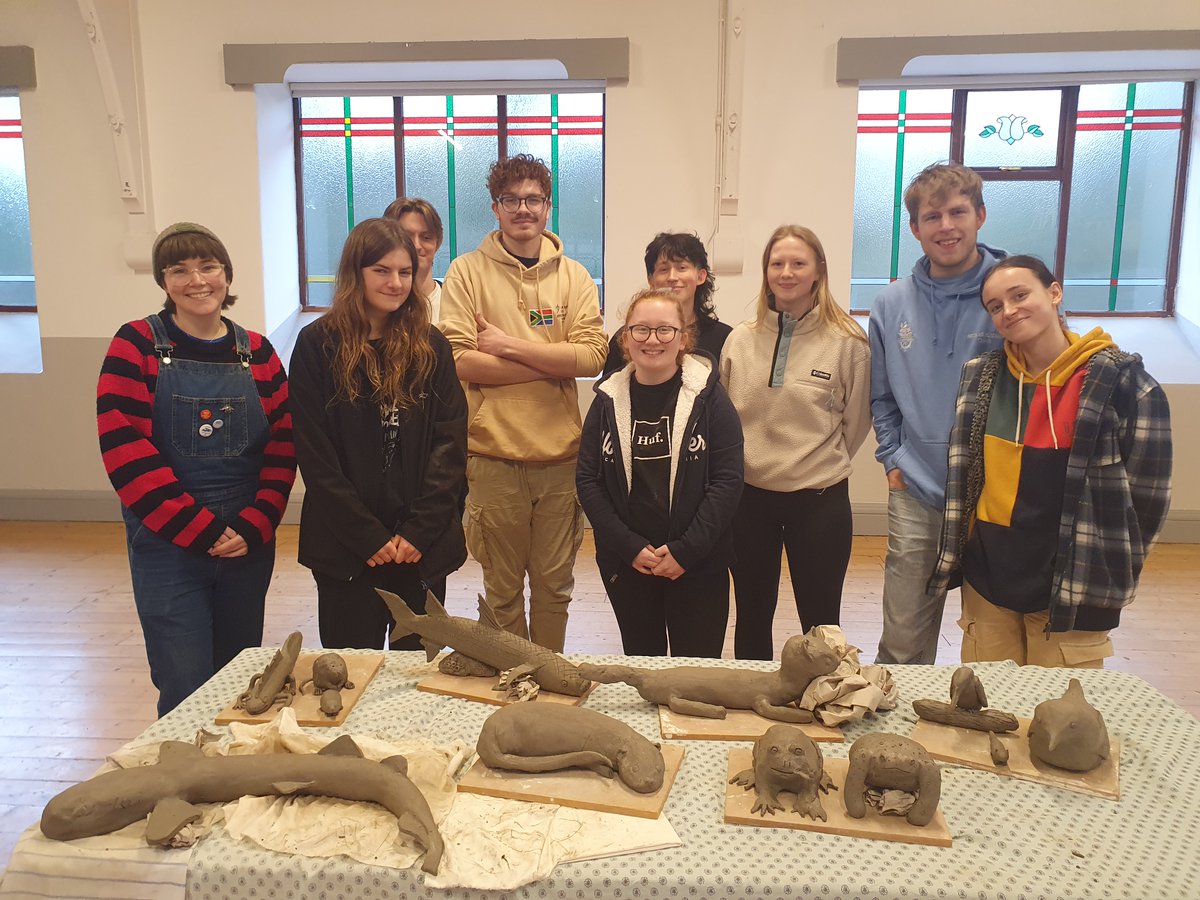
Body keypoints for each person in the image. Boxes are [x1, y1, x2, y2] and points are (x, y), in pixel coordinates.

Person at [929, 256, 1171, 668]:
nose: (1009, 310)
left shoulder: (1125, 385)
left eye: (1020, 295)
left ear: (1054, 292)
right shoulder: (980, 377)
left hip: (1072, 577)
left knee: (1061, 719)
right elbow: (966, 475)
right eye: (995, 306)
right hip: (989, 575)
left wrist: (1111, 562)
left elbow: (1148, 499)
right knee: (989, 706)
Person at [96, 222, 296, 717]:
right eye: (179, 270)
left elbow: (284, 446)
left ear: (227, 275)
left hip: (247, 540)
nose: (197, 280)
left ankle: (231, 782)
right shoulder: (135, 345)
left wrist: (256, 523)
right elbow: (125, 448)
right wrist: (199, 528)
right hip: (167, 543)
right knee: (184, 680)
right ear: (164, 282)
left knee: (241, 674)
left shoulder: (260, 353)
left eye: (208, 266)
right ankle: (180, 783)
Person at [439, 154, 607, 653]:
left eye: (533, 199)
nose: (523, 209)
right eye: (511, 200)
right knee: (503, 592)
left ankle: (548, 680)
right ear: (495, 207)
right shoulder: (466, 272)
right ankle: (511, 682)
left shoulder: (574, 276)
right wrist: (552, 361)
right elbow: (458, 361)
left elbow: (592, 356)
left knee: (555, 590)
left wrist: (509, 347)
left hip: (560, 457)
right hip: (492, 456)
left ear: (548, 206)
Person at [289, 218, 467, 651]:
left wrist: (418, 532)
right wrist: (367, 536)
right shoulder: (318, 346)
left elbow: (450, 445)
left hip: (418, 548)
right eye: (382, 271)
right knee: (351, 672)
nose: (396, 282)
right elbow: (317, 456)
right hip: (348, 549)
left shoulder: (431, 345)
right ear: (356, 273)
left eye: (405, 272)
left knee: (417, 675)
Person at [870, 162, 1007, 665]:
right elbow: (881, 396)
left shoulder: (1009, 295)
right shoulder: (890, 304)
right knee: (902, 639)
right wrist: (893, 459)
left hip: (1000, 491)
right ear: (915, 228)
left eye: (957, 212)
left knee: (996, 643)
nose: (946, 226)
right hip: (918, 488)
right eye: (933, 216)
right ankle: (894, 738)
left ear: (980, 216)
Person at [720, 225, 871, 659]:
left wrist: (815, 461)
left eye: (798, 263)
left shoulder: (848, 343)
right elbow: (728, 420)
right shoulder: (740, 341)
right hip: (749, 501)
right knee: (751, 612)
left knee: (822, 621)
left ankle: (825, 705)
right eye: (777, 263)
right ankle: (753, 702)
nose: (787, 273)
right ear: (766, 272)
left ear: (818, 271)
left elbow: (856, 422)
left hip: (818, 501)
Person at [577, 288, 743, 656]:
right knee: (643, 671)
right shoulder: (606, 401)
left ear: (683, 339)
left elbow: (728, 481)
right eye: (641, 329)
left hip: (697, 565)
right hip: (629, 564)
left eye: (665, 330)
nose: (652, 340)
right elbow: (588, 481)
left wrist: (686, 551)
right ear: (625, 339)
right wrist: (629, 546)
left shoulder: (710, 399)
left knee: (696, 677)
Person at [601, 232, 731, 377]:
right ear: (651, 279)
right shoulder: (631, 337)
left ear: (700, 276)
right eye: (663, 269)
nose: (672, 277)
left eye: (682, 268)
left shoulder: (725, 338)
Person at [383, 196, 445, 323]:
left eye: (426, 237)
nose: (416, 246)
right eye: (406, 237)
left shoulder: (457, 304)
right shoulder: (377, 309)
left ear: (437, 243)